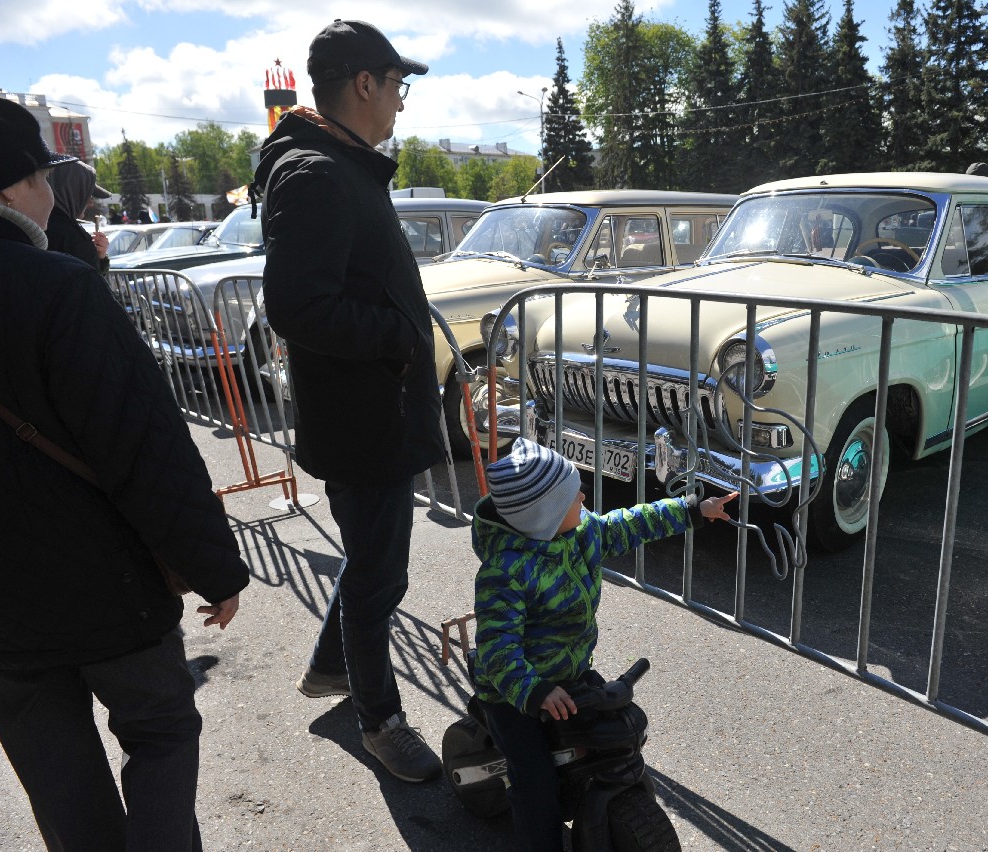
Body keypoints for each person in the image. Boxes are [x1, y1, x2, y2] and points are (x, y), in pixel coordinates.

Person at [0, 96, 249, 851]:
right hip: (107, 589)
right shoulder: (57, 288)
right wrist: (215, 568)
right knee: (163, 732)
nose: (49, 193)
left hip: (3, 618)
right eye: (41, 176)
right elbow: (143, 448)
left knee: (55, 768)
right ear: (8, 190)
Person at [254, 19, 446, 783]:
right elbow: (297, 307)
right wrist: (399, 334)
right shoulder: (315, 173)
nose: (401, 102)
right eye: (397, 85)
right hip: (364, 421)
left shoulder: (339, 163)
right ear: (364, 84)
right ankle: (380, 719)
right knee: (378, 577)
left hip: (372, 412)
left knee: (368, 562)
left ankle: (333, 673)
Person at [472, 438, 737, 852]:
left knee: (608, 732)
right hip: (514, 693)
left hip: (570, 670)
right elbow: (496, 650)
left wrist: (691, 511)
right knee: (534, 782)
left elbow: (628, 523)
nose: (582, 495)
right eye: (571, 495)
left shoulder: (581, 532)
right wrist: (535, 691)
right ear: (544, 515)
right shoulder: (504, 573)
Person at [45, 159, 111, 271]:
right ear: (74, 193)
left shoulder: (36, 224)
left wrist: (100, 258)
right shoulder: (74, 239)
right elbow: (90, 285)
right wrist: (93, 256)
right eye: (87, 195)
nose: (90, 203)